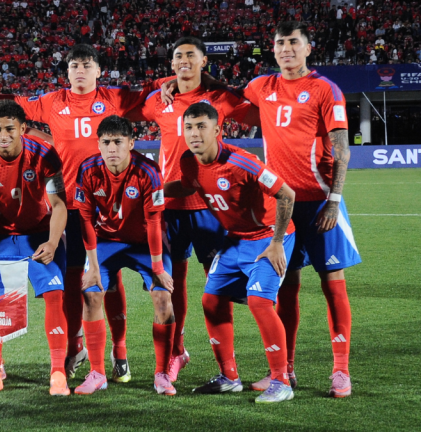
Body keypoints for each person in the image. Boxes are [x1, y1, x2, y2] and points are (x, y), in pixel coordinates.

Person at [14, 44, 168, 381]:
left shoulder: (115, 97)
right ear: (67, 72)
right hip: (67, 206)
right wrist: (45, 138)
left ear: (99, 71)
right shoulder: (52, 101)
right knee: (75, 282)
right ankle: (76, 344)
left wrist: (170, 80)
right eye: (73, 65)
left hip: (110, 206)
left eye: (86, 65)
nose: (80, 70)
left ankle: (119, 351)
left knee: (107, 281)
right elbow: (14, 112)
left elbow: (151, 92)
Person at [241, 22, 361, 398]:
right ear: (273, 50)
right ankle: (285, 370)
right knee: (285, 287)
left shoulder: (325, 89)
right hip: (282, 204)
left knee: (332, 284)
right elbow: (219, 91)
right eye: (279, 43)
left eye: (293, 42)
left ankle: (340, 371)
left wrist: (335, 200)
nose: (286, 48)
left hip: (320, 202)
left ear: (308, 49)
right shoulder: (262, 87)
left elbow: (342, 148)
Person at [134, 36, 255, 383]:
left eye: (191, 55)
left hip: (210, 206)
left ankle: (226, 368)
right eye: (177, 56)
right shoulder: (160, 100)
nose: (184, 60)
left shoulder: (218, 98)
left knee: (217, 286)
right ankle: (177, 353)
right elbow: (138, 98)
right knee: (174, 286)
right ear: (170, 64)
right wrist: (165, 84)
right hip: (169, 206)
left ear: (204, 61)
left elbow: (255, 112)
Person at [163, 103, 297, 404]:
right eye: (188, 127)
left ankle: (281, 380)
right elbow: (187, 187)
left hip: (269, 239)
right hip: (235, 240)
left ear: (217, 130)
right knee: (211, 300)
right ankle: (229, 377)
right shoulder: (188, 161)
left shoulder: (242, 162)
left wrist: (276, 243)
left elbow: (286, 194)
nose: (194, 133)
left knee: (259, 301)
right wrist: (156, 191)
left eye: (201, 126)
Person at [0, 100, 70, 396]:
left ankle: (58, 372)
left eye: (8, 128)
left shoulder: (44, 154)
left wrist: (53, 242)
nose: (2, 135)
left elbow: (58, 205)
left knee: (54, 295)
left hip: (40, 232)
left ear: (21, 128)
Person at [74, 116, 176, 396]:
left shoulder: (149, 171)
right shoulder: (87, 169)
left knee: (163, 297)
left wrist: (157, 267)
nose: (111, 148)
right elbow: (84, 220)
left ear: (131, 143)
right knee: (91, 293)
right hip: (106, 241)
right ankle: (97, 373)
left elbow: (155, 221)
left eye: (118, 142)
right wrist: (92, 267)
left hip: (145, 243)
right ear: (98, 144)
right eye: (105, 142)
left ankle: (162, 374)